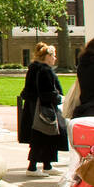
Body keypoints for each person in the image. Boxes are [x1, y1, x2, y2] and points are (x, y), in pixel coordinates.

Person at [17, 41, 67, 176]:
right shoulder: (44, 71)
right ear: (48, 56)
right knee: (42, 137)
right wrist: (58, 98)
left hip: (33, 108)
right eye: (53, 56)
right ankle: (33, 167)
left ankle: (47, 165)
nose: (55, 58)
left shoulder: (34, 69)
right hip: (43, 109)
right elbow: (47, 92)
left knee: (43, 137)